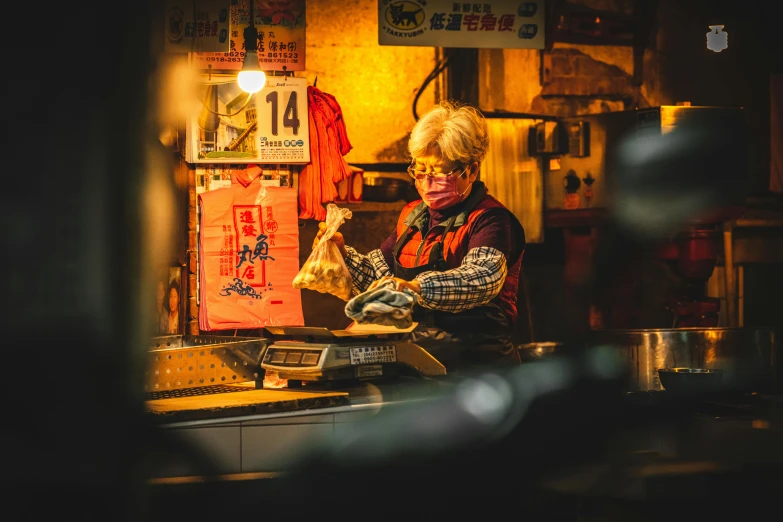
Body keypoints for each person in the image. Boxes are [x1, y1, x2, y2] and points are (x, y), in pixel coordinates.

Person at [314, 100, 525, 372]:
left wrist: (415, 288)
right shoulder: (412, 215)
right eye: (420, 171)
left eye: (438, 172)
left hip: (477, 367)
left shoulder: (490, 219)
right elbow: (377, 277)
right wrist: (342, 254)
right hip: (419, 360)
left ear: (470, 170)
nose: (426, 183)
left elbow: (481, 279)